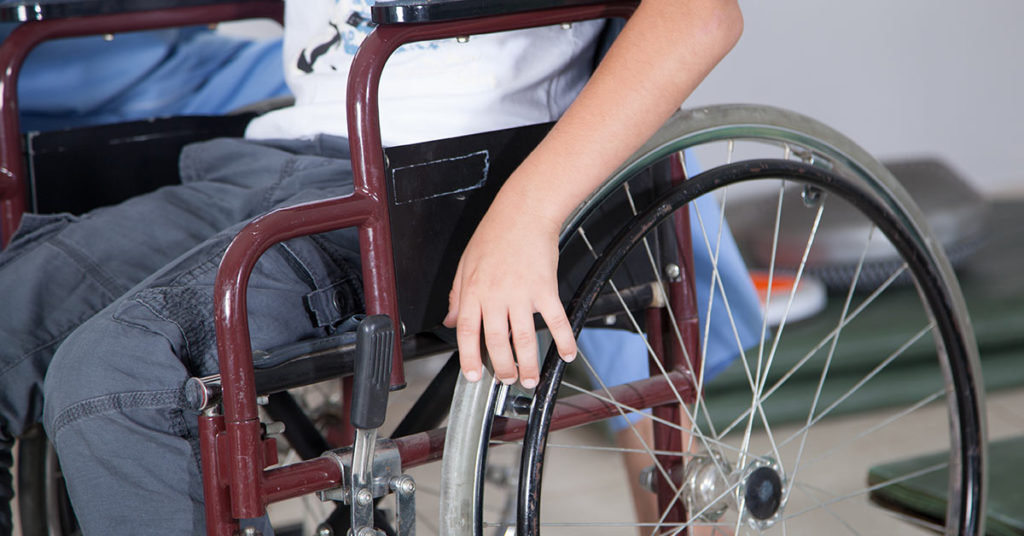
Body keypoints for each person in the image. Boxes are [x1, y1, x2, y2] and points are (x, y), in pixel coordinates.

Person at [0, 0, 747, 533]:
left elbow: (700, 13)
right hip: (268, 159)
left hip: (429, 184)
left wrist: (528, 214)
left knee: (115, 372)